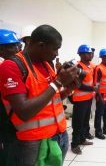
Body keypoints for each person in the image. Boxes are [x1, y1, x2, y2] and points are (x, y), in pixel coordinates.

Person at [0, 25, 78, 166]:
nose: (57, 53)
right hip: (32, 142)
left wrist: (67, 90)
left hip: (58, 135)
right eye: (55, 48)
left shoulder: (46, 65)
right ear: (41, 45)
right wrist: (58, 82)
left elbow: (51, 99)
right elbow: (24, 111)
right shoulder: (11, 66)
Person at [0, 29, 21, 166]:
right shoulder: (4, 66)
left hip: (13, 116)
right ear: (1, 50)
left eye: (17, 46)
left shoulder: (16, 65)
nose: (17, 49)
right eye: (12, 46)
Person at [71, 44, 95, 154]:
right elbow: (78, 85)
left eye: (90, 53)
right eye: (88, 53)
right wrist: (93, 88)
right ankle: (75, 144)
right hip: (80, 100)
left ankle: (82, 139)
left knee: (85, 121)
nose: (91, 55)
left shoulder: (89, 66)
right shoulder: (79, 67)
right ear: (81, 54)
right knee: (78, 123)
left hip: (88, 99)